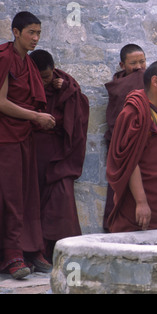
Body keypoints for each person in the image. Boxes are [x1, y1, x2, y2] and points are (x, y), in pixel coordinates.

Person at [0, 11, 55, 279]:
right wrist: (35, 116)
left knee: (28, 195)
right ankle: (12, 254)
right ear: (16, 32)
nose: (35, 38)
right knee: (10, 196)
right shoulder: (4, 58)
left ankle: (31, 249)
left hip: (24, 137)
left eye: (39, 33)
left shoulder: (30, 63)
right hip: (5, 137)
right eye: (31, 33)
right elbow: (0, 101)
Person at [106, 60, 157, 233]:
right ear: (155, 81)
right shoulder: (135, 112)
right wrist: (141, 202)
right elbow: (130, 161)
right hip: (144, 204)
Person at [30, 49, 89, 262]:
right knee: (34, 201)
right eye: (41, 78)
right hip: (34, 151)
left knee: (62, 198)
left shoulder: (64, 83)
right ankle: (37, 253)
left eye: (48, 76)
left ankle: (65, 251)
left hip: (59, 152)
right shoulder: (25, 86)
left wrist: (66, 91)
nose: (46, 81)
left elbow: (80, 107)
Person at [103, 44, 147, 231]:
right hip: (122, 146)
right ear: (122, 65)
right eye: (133, 63)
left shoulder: (147, 80)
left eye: (142, 62)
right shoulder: (119, 86)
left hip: (145, 150)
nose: (138, 67)